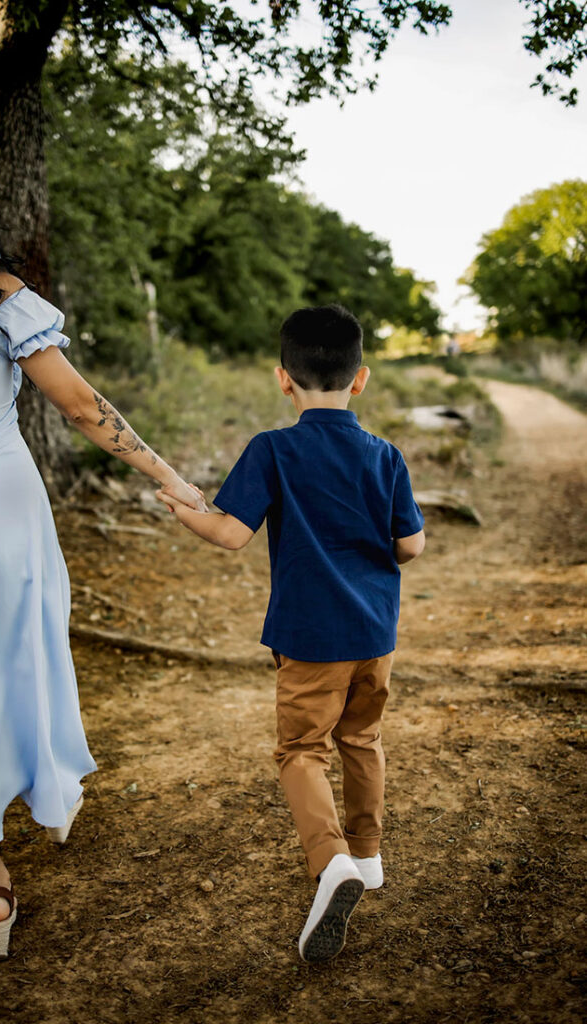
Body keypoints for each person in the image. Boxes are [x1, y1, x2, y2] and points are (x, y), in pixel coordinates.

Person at [0, 144, 205, 961]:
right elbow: (79, 406)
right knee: (21, 657)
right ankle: (45, 796)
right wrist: (167, 473)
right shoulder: (3, 298)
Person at [157, 304, 425, 964]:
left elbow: (229, 534)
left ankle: (330, 862)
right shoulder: (385, 455)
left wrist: (184, 509)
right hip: (374, 634)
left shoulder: (272, 449)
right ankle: (367, 854)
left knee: (301, 750)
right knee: (362, 737)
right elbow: (411, 545)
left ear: (284, 380)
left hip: (309, 637)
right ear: (360, 380)